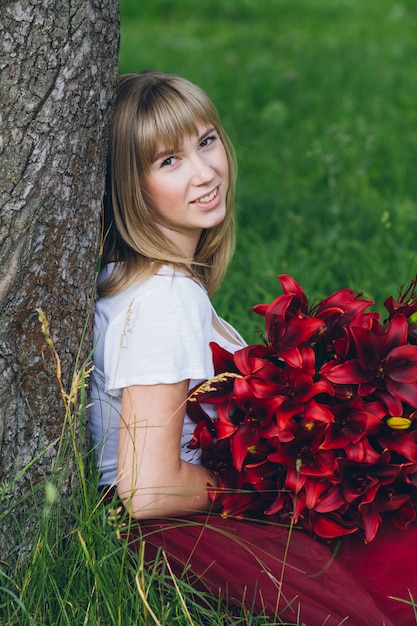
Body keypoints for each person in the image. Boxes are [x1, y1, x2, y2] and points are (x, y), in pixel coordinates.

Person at [90, 71, 416, 625]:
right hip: (181, 530)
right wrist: (262, 483)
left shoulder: (140, 280)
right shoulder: (165, 299)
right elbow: (146, 488)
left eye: (207, 140)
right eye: (168, 161)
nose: (204, 171)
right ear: (129, 185)